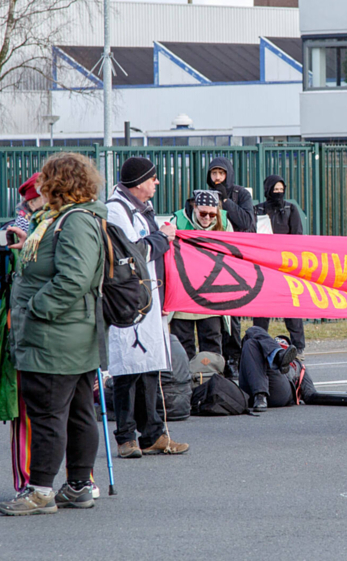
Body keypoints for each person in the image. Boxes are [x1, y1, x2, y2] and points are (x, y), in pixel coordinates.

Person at [0, 153, 106, 515]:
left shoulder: (74, 221)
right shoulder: (64, 218)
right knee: (77, 413)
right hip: (69, 334)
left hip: (55, 335)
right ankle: (78, 486)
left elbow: (74, 278)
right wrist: (29, 245)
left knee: (47, 415)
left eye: (45, 179)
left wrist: (36, 309)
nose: (40, 185)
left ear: (59, 183)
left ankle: (41, 491)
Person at [107, 156, 188, 458]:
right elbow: (132, 254)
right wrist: (163, 237)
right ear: (138, 182)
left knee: (150, 367)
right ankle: (126, 437)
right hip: (127, 300)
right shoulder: (115, 211)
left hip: (148, 299)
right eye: (152, 178)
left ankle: (153, 433)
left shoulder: (141, 209)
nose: (156, 182)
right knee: (128, 370)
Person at [0, 173, 44, 495]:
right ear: (32, 200)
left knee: (70, 412)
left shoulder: (67, 227)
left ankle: (78, 479)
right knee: (24, 413)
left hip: (58, 332)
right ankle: (27, 482)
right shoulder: (6, 236)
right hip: (18, 334)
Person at [206, 156, 255, 371]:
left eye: (221, 173)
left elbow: (246, 222)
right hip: (212, 258)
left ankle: (234, 356)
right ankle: (216, 356)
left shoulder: (240, 194)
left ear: (228, 174)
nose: (217, 177)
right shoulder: (205, 194)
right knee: (214, 311)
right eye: (214, 173)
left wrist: (226, 201)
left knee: (233, 309)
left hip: (235, 258)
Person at [169, 189, 230, 359]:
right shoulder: (178, 221)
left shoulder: (225, 223)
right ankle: (184, 376)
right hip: (183, 291)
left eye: (212, 215)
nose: (207, 218)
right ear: (194, 207)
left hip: (212, 292)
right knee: (182, 344)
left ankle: (212, 375)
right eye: (203, 213)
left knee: (211, 343)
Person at [253, 174, 306, 353]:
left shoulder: (290, 209)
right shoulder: (258, 210)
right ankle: (258, 344)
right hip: (264, 266)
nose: (278, 193)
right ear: (268, 190)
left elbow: (297, 236)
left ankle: (298, 347)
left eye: (281, 189)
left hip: (285, 267)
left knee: (291, 308)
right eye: (275, 189)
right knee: (262, 309)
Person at [237, 326, 309, 412]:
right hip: (248, 393)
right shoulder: (259, 348)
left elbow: (310, 394)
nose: (280, 342)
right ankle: (278, 355)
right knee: (250, 341)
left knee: (252, 332)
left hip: (278, 391)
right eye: (276, 341)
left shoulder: (297, 365)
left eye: (283, 342)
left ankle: (260, 395)